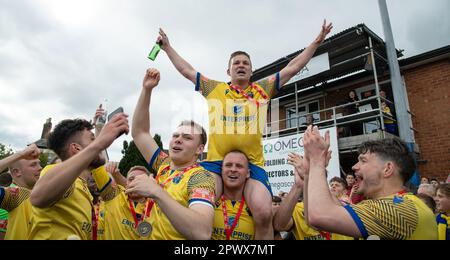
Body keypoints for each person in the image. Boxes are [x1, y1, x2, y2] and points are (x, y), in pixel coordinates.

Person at [157, 21, 333, 239]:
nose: (241, 65)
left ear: (252, 70)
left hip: (252, 163)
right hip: (215, 162)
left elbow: (293, 67)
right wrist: (166, 48)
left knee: (263, 211)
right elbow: (186, 70)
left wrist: (317, 41)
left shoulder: (263, 89)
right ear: (228, 70)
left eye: (246, 63)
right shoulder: (214, 88)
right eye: (236, 63)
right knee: (202, 206)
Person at [126, 68, 216, 240]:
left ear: (199, 149)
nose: (178, 140)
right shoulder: (164, 164)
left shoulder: (201, 177)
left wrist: (157, 192)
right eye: (175, 135)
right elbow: (139, 132)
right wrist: (146, 90)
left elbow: (202, 232)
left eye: (187, 137)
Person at [304, 126, 437, 239]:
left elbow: (319, 216)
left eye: (363, 160)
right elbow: (312, 216)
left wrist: (317, 160)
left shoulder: (402, 209)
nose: (354, 167)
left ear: (387, 169)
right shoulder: (393, 204)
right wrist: (310, 171)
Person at [29, 115, 129, 240]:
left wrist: (98, 130)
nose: (100, 144)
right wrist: (98, 144)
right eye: (93, 139)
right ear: (76, 148)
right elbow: (37, 198)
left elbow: (112, 193)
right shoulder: (58, 175)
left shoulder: (83, 185)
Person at [273, 152, 352, 240]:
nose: (308, 179)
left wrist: (314, 169)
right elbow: (279, 226)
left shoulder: (342, 204)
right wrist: (297, 185)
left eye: (312, 176)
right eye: (306, 176)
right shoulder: (298, 209)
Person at [0, 144, 42, 240]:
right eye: (33, 165)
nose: (40, 168)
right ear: (16, 172)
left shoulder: (42, 194)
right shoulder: (15, 195)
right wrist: (20, 154)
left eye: (39, 163)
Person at [212, 151, 255, 240]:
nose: (233, 169)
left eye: (239, 166)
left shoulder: (256, 209)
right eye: (228, 165)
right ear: (221, 170)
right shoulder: (209, 204)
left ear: (248, 173)